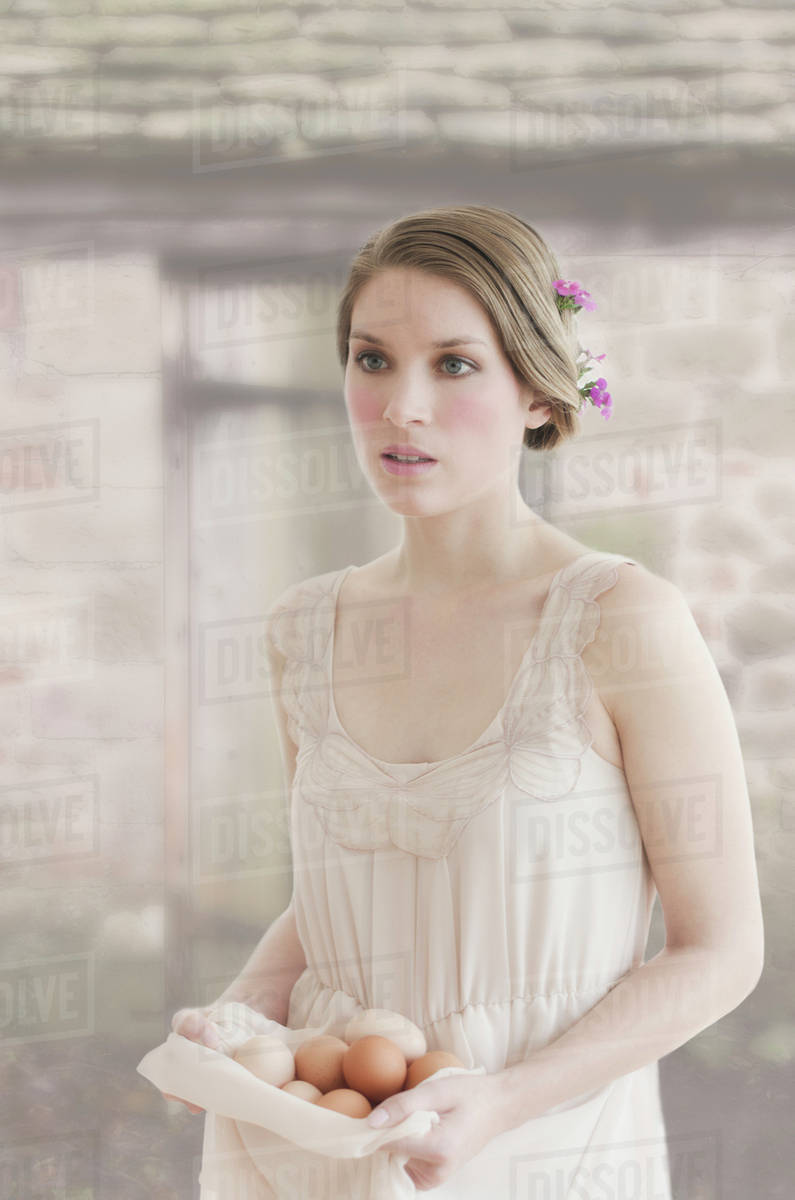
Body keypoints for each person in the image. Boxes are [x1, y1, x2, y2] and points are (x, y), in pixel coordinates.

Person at [165, 205, 764, 1196]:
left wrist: (504, 1099)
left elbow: (721, 950)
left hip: (539, 1148)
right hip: (320, 1148)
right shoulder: (302, 631)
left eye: (453, 364)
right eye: (371, 359)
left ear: (537, 388)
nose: (401, 406)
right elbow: (338, 900)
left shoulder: (620, 621)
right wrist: (237, 1018)